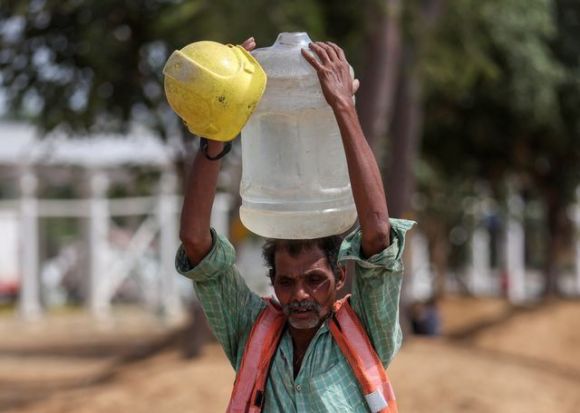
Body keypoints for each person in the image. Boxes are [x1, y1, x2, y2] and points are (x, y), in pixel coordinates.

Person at [175, 37, 415, 412]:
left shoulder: (367, 334)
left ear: (339, 277)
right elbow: (195, 241)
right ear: (273, 283)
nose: (300, 295)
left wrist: (343, 109)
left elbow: (378, 233)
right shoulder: (250, 333)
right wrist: (218, 128)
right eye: (287, 282)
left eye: (315, 280)